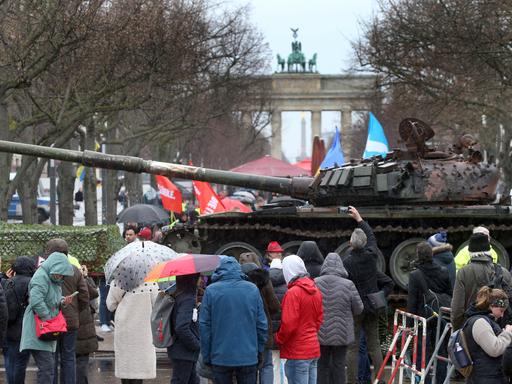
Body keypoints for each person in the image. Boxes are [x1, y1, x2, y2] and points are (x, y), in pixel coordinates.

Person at [199, 256, 267, 384]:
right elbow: (262, 325)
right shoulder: (252, 289)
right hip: (248, 354)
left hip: (220, 355)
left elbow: (204, 327)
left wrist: (207, 355)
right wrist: (259, 350)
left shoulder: (211, 291)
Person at [343, 206, 384, 384]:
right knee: (374, 345)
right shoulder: (371, 255)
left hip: (355, 307)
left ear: (351, 244)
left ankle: (351, 381)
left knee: (352, 347)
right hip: (372, 304)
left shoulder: (347, 261)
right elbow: (372, 238)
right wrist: (359, 218)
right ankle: (382, 379)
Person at [20, 251, 74, 384]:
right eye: (60, 273)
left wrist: (63, 301)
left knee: (48, 368)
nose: (61, 276)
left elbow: (50, 299)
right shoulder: (41, 277)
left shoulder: (52, 278)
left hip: (46, 328)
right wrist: (49, 318)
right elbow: (36, 301)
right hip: (39, 328)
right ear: (54, 267)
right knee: (47, 368)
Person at [315, 252, 363, 384]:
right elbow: (359, 308)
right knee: (339, 364)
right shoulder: (348, 284)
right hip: (341, 332)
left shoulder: (315, 283)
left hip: (320, 331)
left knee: (322, 364)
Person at [407, 242, 452, 384]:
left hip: (423, 319)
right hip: (440, 316)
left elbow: (412, 302)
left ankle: (424, 381)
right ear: (432, 255)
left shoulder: (415, 275)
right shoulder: (444, 271)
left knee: (422, 353)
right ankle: (441, 381)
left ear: (419, 256)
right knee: (441, 351)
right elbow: (450, 294)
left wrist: (410, 325)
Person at [275, 255, 323, 384]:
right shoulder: (315, 289)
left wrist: (279, 338)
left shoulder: (293, 293)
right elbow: (319, 320)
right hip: (313, 348)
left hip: (297, 351)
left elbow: (289, 324)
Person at [451, 233, 512, 330]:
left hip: (472, 328)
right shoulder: (504, 273)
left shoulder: (464, 272)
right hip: (499, 330)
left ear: (470, 251)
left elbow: (457, 309)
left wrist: (458, 329)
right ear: (489, 250)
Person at [107, 278, 159, 384]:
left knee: (126, 367)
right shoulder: (150, 282)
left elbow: (110, 305)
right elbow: (157, 304)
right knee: (139, 367)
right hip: (143, 330)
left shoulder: (118, 282)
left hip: (124, 330)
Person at [53, 240, 89, 384]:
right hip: (71, 320)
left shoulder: (46, 270)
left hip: (52, 320)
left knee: (52, 358)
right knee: (69, 356)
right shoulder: (75, 270)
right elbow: (84, 296)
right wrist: (75, 310)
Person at [241, 263, 281, 384]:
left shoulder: (240, 285)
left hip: (246, 332)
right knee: (267, 365)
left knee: (250, 367)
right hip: (264, 330)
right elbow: (275, 306)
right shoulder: (264, 283)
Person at [463, 286, 512, 384]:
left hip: (485, 376)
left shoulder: (482, 320)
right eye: (501, 311)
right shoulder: (480, 322)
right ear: (492, 306)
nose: (502, 315)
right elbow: (494, 349)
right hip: (486, 377)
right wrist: (507, 333)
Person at [3, 256, 35, 384]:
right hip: (28, 328)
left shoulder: (8, 283)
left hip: (11, 328)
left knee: (10, 361)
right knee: (21, 362)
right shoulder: (33, 283)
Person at [168, 274, 201, 384]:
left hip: (180, 350)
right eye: (199, 276)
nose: (201, 279)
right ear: (193, 279)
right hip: (184, 351)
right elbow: (181, 327)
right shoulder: (188, 298)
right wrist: (196, 344)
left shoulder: (178, 294)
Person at [75, 265, 99, 384]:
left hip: (69, 326)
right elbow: (93, 293)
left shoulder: (60, 280)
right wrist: (84, 277)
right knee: (81, 361)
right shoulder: (80, 280)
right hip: (83, 327)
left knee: (68, 361)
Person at [269, 255, 288, 384]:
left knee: (273, 362)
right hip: (284, 331)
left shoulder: (265, 287)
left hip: (270, 331)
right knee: (285, 361)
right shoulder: (288, 287)